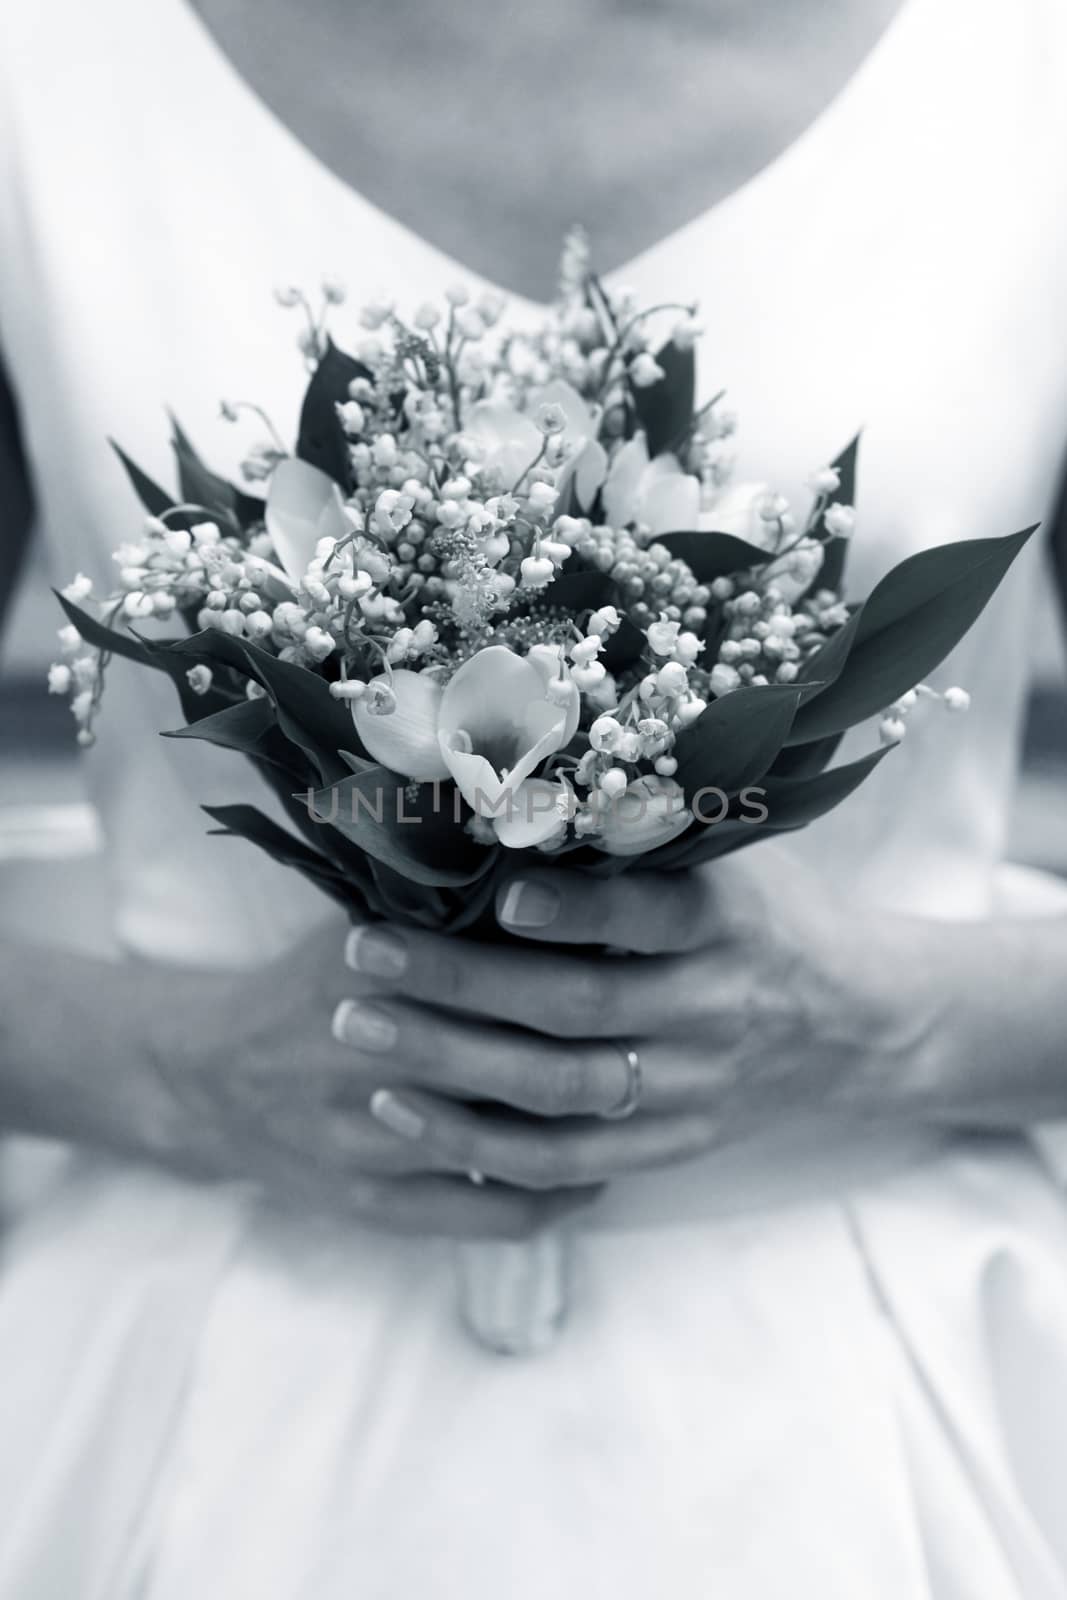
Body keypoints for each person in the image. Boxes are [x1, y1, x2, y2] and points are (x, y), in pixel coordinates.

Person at [2, 0, 1067, 1592]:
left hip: (864, 1423)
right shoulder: (53, 67)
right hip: (216, 1381)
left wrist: (900, 1020)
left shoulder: (1023, 76)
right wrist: (168, 1068)